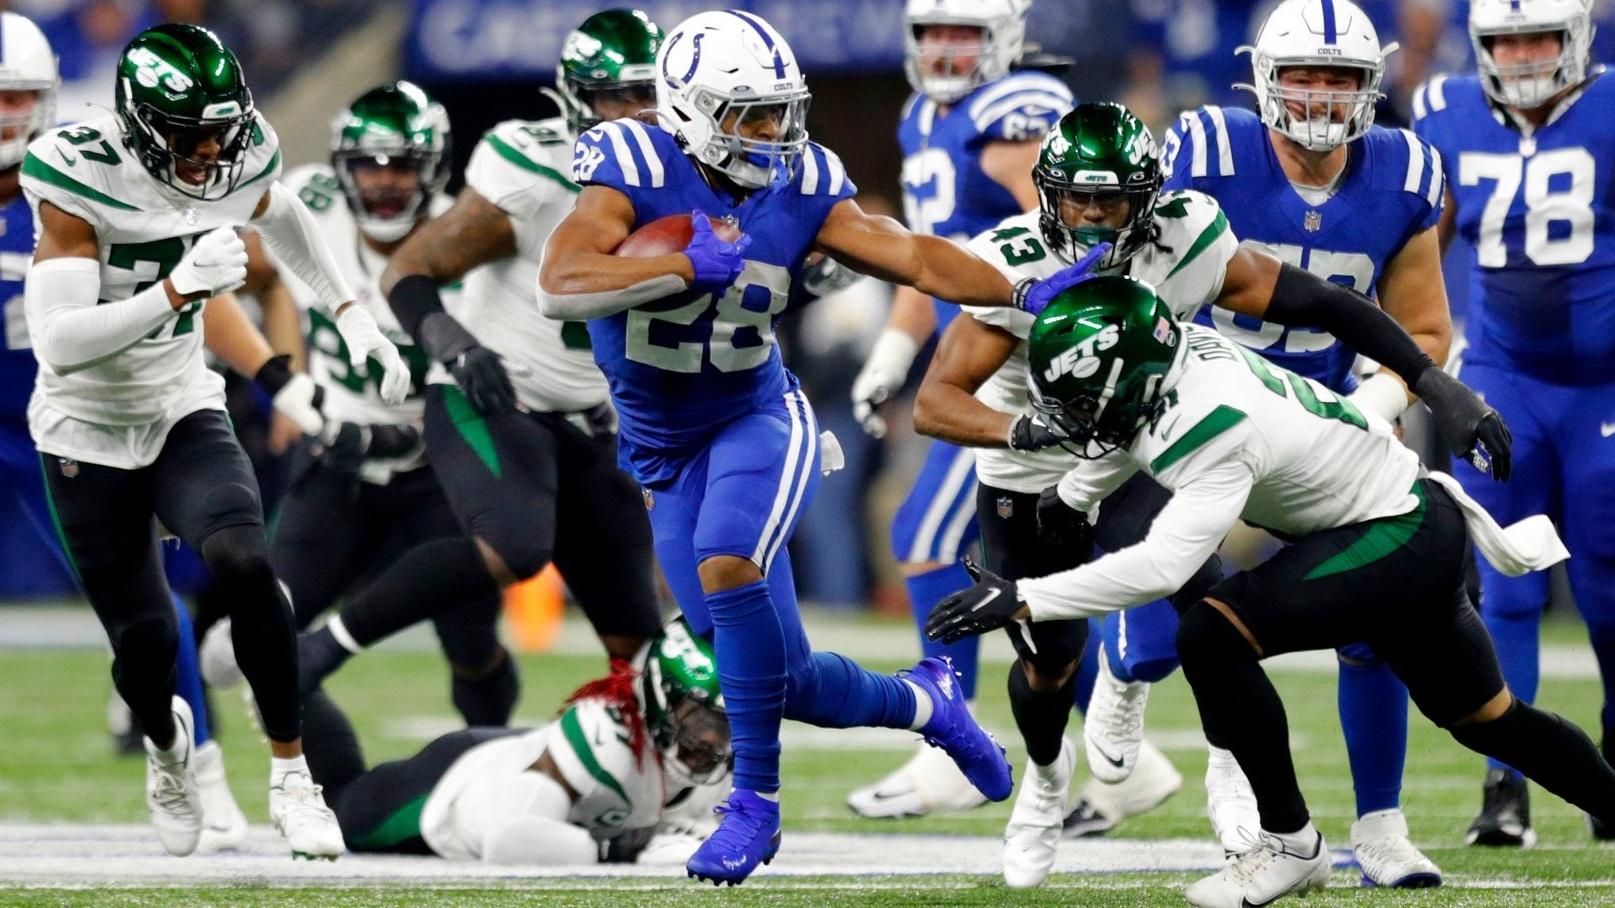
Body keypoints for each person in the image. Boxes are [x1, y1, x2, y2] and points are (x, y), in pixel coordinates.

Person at [537, 9, 1101, 884]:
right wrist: (681, 265)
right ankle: (929, 701)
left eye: (779, 112)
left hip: (755, 414)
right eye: (749, 116)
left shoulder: (800, 182)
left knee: (730, 564)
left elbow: (911, 256)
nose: (772, 133)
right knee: (778, 676)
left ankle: (753, 807)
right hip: (660, 451)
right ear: (685, 110)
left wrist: (1026, 292)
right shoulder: (629, 165)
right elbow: (561, 282)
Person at [913, 99, 1489, 887]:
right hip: (1026, 474)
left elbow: (1319, 301)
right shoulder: (1012, 262)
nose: (1088, 214)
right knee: (1048, 664)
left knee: (1213, 612)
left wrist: (1426, 380)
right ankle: (1045, 783)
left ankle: (1245, 800)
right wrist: (1024, 433)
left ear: (1146, 200)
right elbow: (935, 401)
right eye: (1074, 196)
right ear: (1047, 193)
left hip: (1136, 458)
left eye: (1109, 198)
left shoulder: (1185, 237)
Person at [926, 276, 1615, 908]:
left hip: (1393, 533)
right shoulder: (1177, 357)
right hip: (1402, 520)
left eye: (1080, 399)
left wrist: (1026, 598)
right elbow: (1122, 432)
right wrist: (1072, 496)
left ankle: (1288, 843)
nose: (1071, 416)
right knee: (1486, 720)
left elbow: (1163, 565)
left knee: (1211, 631)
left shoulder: (1206, 425)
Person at [1078, 0, 1454, 883]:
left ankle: (1381, 827)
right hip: (1198, 402)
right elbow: (1138, 275)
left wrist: (1384, 394)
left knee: (1378, 618)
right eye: (1303, 77)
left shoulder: (1402, 172)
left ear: (1372, 86)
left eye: (1340, 79)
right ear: (1262, 80)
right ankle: (1124, 669)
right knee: (1164, 618)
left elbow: (1424, 327)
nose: (1320, 97)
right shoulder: (1206, 150)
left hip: (1320, 411)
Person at [20, 22, 411, 859]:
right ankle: (167, 749)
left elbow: (284, 214)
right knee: (147, 643)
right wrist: (172, 291)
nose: (213, 152)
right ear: (139, 125)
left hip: (180, 406)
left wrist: (351, 314)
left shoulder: (233, 148)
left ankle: (290, 774)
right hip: (84, 426)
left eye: (222, 131)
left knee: (243, 562)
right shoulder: (74, 170)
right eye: (193, 136)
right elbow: (58, 341)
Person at [296, 10, 671, 701]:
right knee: (516, 547)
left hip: (593, 420)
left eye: (650, 95)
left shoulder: (697, 176)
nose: (637, 116)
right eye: (616, 97)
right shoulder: (534, 168)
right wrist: (454, 344)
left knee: (638, 648)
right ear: (573, 98)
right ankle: (330, 643)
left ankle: (648, 790)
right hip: (496, 395)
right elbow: (409, 268)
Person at [201, 81, 518, 727]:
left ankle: (485, 751)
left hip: (440, 475)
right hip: (337, 465)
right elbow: (243, 278)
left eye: (400, 164)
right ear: (341, 169)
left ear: (433, 168)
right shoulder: (312, 204)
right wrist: (285, 377)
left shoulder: (470, 243)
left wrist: (391, 437)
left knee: (471, 646)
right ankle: (307, 775)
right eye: (367, 165)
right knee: (249, 636)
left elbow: (490, 384)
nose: (382, 182)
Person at [845, 0, 1074, 821]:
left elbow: (1061, 229)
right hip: (963, 367)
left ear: (1002, 39)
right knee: (1052, 576)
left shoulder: (1015, 112)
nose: (944, 50)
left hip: (1012, 371)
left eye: (964, 35)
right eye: (931, 33)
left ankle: (951, 738)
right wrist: (893, 350)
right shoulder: (921, 116)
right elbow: (932, 256)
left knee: (924, 540)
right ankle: (1125, 761)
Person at [1412, 0, 1615, 848]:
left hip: (1605, 384)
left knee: (1607, 582)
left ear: (1576, 38)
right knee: (1505, 578)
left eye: (1539, 37)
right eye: (1506, 41)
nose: (1524, 56)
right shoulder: (1443, 109)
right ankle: (1509, 784)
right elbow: (1421, 243)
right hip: (1499, 377)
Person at [298, 619, 732, 864]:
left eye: (729, 721)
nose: (713, 738)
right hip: (457, 789)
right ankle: (287, 674)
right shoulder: (607, 737)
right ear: (659, 697)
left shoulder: (728, 760)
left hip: (526, 760)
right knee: (342, 810)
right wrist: (620, 848)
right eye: (699, 718)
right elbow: (508, 840)